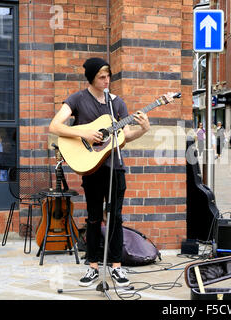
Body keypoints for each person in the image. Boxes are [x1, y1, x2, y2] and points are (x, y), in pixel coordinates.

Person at [49, 57, 173, 287]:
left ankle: (116, 266)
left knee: (115, 217)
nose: (107, 81)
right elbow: (54, 126)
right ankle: (93, 266)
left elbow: (125, 136)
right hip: (91, 168)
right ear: (91, 78)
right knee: (95, 218)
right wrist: (83, 134)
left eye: (108, 76)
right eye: (101, 77)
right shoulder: (77, 99)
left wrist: (144, 129)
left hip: (115, 167)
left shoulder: (117, 103)